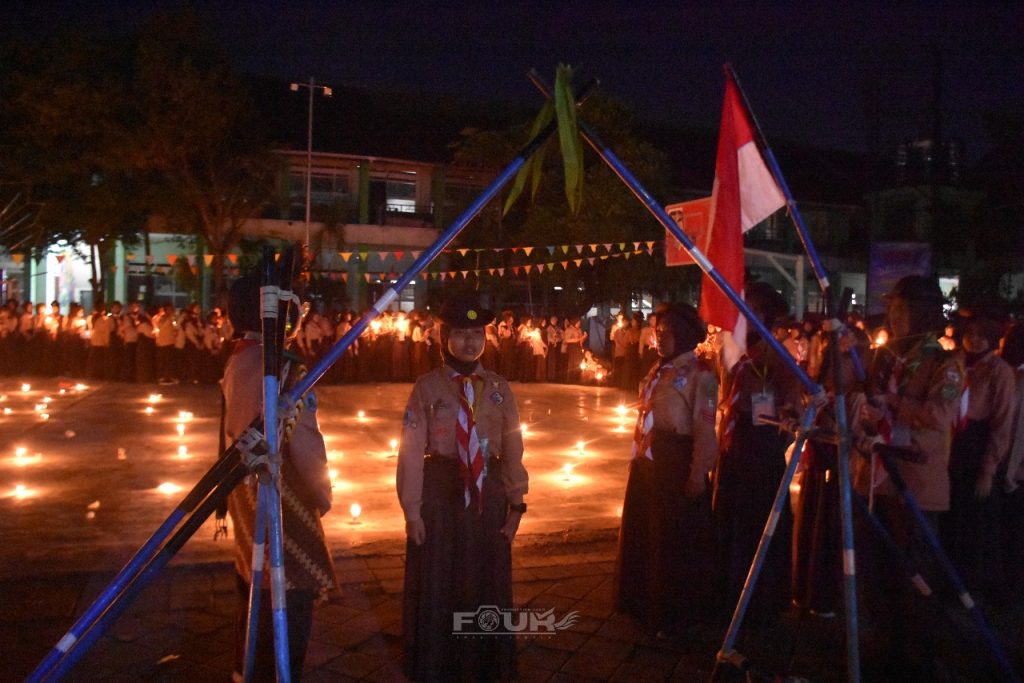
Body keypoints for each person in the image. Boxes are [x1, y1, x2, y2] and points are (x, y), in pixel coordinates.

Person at [397, 294, 528, 682]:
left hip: (488, 495)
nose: (470, 341)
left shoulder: (500, 388)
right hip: (441, 493)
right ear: (445, 338)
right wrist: (411, 509)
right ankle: (440, 662)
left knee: (484, 578)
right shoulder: (427, 388)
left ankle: (485, 662)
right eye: (460, 333)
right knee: (441, 579)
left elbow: (513, 448)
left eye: (476, 333)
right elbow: (410, 451)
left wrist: (517, 502)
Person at [222, 268, 337, 682]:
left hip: (241, 487)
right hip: (278, 491)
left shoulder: (240, 356)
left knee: (252, 588)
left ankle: (247, 668)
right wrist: (322, 494)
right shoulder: (284, 369)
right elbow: (306, 445)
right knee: (291, 591)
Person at [853, 274, 963, 675]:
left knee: (913, 576)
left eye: (900, 308)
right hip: (877, 480)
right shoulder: (889, 357)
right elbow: (870, 406)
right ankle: (885, 647)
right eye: (892, 308)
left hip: (914, 484)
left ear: (921, 313)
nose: (893, 316)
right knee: (878, 574)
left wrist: (894, 402)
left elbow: (938, 416)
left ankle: (917, 657)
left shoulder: (943, 362)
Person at [614, 303, 719, 635]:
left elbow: (705, 428)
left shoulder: (702, 376)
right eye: (657, 332)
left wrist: (697, 473)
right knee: (647, 533)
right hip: (648, 461)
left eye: (666, 333)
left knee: (671, 541)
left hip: (676, 462)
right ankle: (642, 602)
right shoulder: (658, 369)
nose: (659, 339)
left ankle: (671, 613)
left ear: (685, 335)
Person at [712, 282, 803, 621]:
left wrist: (777, 424)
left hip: (760, 455)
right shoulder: (737, 354)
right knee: (729, 519)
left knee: (756, 526)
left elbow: (791, 410)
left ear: (760, 316)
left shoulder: (777, 358)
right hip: (733, 448)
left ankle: (760, 599)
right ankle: (726, 590)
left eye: (746, 309)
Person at [942, 310, 1014, 593]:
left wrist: (989, 469)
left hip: (977, 444)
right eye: (970, 334)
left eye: (981, 336)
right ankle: (947, 580)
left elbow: (1002, 422)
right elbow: (945, 399)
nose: (973, 340)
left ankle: (971, 586)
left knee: (975, 521)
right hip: (951, 443)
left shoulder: (999, 371)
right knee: (951, 517)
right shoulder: (954, 363)